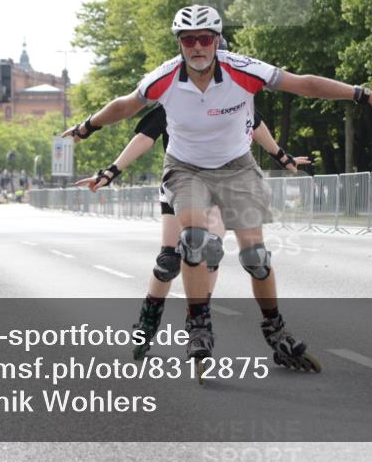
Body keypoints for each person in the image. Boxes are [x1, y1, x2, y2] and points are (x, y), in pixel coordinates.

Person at [64, 4, 372, 371]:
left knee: (255, 259)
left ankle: (275, 330)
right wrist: (88, 127)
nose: (198, 47)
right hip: (186, 168)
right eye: (189, 40)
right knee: (194, 240)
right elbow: (126, 106)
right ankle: (198, 324)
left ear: (216, 41)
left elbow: (303, 84)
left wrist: (363, 94)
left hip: (238, 168)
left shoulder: (242, 70)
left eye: (205, 39)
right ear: (180, 44)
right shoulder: (163, 80)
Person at [75, 98, 309, 360]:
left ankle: (201, 322)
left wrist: (281, 155)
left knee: (210, 250)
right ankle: (147, 322)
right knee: (169, 262)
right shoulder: (175, 97)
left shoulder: (234, 95)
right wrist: (110, 172)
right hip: (182, 183)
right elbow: (144, 137)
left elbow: (255, 124)